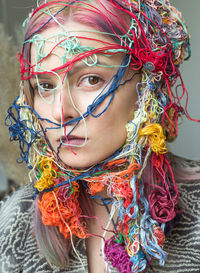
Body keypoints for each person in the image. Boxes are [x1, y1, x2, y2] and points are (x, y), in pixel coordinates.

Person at [1, 0, 200, 272]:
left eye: (91, 79)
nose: (61, 112)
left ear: (147, 87)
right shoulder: (15, 221)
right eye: (45, 86)